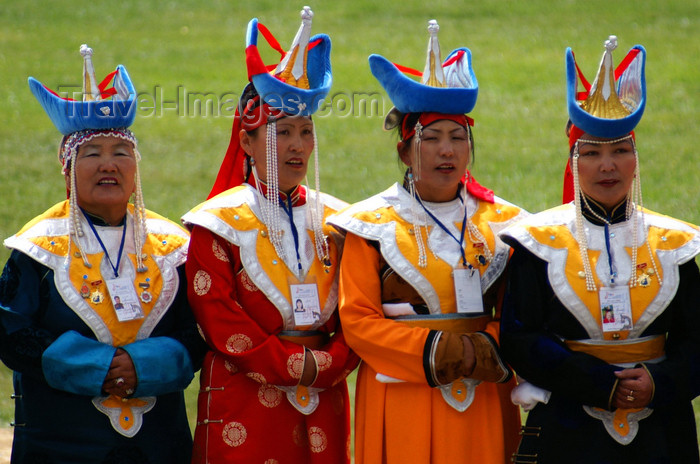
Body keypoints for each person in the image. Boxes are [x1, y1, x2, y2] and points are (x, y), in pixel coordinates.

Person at [328, 20, 527, 463]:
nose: (447, 151)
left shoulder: (507, 224)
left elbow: (524, 313)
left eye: (458, 138)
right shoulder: (369, 227)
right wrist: (440, 351)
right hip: (402, 400)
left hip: (484, 399)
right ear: (403, 151)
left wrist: (486, 348)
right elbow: (358, 322)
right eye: (431, 138)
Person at [0, 44, 206, 464]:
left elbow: (199, 330)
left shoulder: (173, 246)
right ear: (68, 167)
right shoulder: (37, 247)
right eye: (91, 154)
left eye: (121, 153)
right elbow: (11, 332)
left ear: (136, 166)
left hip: (157, 444)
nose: (108, 164)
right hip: (62, 443)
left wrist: (145, 365)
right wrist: (98, 366)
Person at [499, 35, 700, 463]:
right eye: (592, 153)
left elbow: (697, 338)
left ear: (636, 159)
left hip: (661, 427)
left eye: (620, 151)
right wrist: (601, 383)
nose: (607, 165)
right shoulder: (538, 241)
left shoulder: (674, 243)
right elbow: (520, 337)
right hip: (569, 423)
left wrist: (657, 382)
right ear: (575, 161)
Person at [182, 8, 359, 463]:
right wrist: (296, 365)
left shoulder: (340, 220)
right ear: (247, 141)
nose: (298, 145)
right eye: (282, 133)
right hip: (245, 396)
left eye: (305, 132)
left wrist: (336, 360)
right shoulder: (216, 222)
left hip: (325, 394)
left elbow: (358, 303)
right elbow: (217, 316)